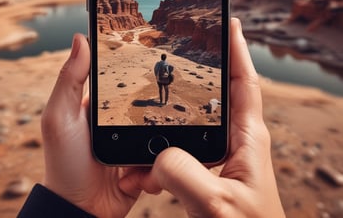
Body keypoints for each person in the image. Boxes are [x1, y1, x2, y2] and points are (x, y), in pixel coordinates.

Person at [17, 18, 286, 218]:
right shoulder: (167, 64)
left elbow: (158, 70)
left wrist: (68, 206)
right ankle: (164, 101)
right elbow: (172, 73)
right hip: (166, 82)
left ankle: (161, 100)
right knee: (165, 92)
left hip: (158, 82)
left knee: (160, 90)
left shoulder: (157, 64)